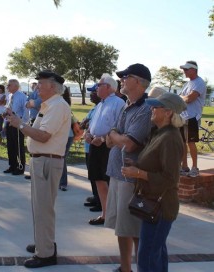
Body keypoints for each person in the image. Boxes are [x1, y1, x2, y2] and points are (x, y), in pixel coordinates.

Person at [6, 70, 71, 268]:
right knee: (40, 207)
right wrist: (20, 123)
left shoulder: (58, 106)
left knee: (44, 208)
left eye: (40, 84)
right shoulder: (50, 105)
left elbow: (43, 136)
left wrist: (19, 124)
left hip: (47, 161)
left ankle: (45, 254)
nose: (37, 87)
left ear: (52, 86)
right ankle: (44, 243)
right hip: (41, 160)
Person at [121, 92, 186, 272]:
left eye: (155, 107)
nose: (151, 109)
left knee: (147, 257)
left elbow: (170, 178)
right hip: (154, 204)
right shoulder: (160, 133)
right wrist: (136, 165)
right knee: (155, 253)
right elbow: (156, 164)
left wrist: (139, 173)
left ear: (168, 113)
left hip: (161, 207)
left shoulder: (170, 138)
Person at [105, 63, 152, 272]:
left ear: (138, 82)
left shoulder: (145, 108)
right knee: (120, 228)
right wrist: (117, 137)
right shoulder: (126, 105)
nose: (122, 79)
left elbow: (130, 143)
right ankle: (125, 268)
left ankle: (141, 267)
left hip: (130, 179)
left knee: (134, 229)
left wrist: (116, 137)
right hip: (116, 173)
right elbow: (110, 138)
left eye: (126, 76)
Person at [85, 74, 125, 226]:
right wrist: (88, 133)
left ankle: (115, 215)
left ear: (108, 87)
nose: (96, 88)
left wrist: (102, 139)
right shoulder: (101, 104)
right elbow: (93, 124)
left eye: (99, 85)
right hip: (95, 146)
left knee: (110, 181)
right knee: (98, 180)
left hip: (109, 147)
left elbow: (119, 128)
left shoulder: (118, 103)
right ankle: (105, 214)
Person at [179, 61, 206, 177]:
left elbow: (190, 98)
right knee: (182, 143)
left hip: (193, 117)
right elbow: (181, 97)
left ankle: (194, 167)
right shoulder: (187, 84)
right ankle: (184, 166)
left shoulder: (199, 82)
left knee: (191, 142)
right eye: (184, 69)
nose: (184, 71)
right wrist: (182, 98)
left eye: (186, 69)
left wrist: (182, 98)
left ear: (194, 70)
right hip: (183, 117)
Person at [82, 83, 102, 211]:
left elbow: (90, 124)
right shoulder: (94, 108)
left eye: (93, 92)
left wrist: (86, 123)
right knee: (92, 174)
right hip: (88, 146)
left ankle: (100, 201)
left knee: (98, 175)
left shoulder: (101, 108)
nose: (91, 94)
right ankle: (96, 196)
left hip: (95, 146)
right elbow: (84, 123)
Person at [3, 79, 28, 175]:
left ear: (16, 86)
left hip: (18, 123)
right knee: (10, 145)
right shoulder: (10, 96)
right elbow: (8, 108)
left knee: (18, 146)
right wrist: (5, 114)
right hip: (9, 122)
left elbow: (25, 111)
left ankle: (20, 167)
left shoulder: (22, 96)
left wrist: (23, 123)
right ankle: (12, 165)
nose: (7, 87)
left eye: (9, 85)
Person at [58, 86, 74, 191]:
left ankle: (63, 182)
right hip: (67, 135)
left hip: (66, 136)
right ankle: (60, 181)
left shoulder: (61, 104)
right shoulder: (63, 103)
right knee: (60, 158)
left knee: (61, 158)